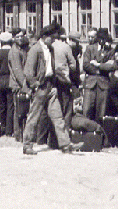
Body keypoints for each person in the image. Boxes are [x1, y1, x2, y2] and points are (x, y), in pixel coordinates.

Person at [22, 22, 83, 155]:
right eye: (52, 38)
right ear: (45, 36)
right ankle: (27, 145)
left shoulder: (50, 49)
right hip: (40, 87)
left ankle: (66, 145)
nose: (54, 40)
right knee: (34, 117)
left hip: (50, 86)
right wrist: (34, 85)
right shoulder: (35, 50)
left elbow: (52, 69)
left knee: (58, 117)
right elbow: (28, 72)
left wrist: (54, 85)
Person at [51, 27, 77, 131]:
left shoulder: (49, 46)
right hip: (63, 79)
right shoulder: (65, 47)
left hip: (51, 80)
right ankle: (65, 131)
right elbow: (73, 65)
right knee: (67, 106)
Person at [8, 28, 30, 142]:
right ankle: (18, 135)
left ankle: (21, 134)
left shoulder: (22, 49)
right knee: (19, 112)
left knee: (22, 110)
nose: (20, 38)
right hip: (18, 85)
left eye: (22, 36)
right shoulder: (14, 52)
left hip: (22, 84)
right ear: (13, 38)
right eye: (17, 37)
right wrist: (25, 87)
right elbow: (18, 72)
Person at [0, 31, 14, 137]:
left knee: (1, 105)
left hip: (0, 80)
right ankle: (9, 130)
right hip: (10, 79)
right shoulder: (13, 53)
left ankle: (1, 128)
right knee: (10, 105)